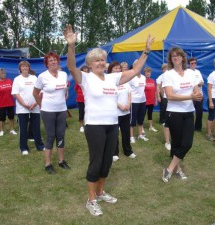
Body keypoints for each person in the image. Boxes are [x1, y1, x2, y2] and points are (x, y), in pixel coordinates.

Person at [63, 24, 154, 216]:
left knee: (107, 163)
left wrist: (146, 50)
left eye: (102, 60)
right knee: (96, 163)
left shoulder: (113, 78)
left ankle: (101, 192)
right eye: (96, 60)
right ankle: (91, 200)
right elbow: (71, 67)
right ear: (90, 63)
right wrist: (71, 46)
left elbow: (136, 69)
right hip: (94, 126)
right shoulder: (86, 78)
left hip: (112, 125)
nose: (100, 63)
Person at [162, 47, 202, 183]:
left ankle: (169, 168)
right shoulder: (169, 74)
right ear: (170, 59)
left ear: (183, 58)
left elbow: (196, 89)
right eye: (173, 56)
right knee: (177, 143)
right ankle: (178, 170)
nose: (175, 57)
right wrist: (190, 96)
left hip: (189, 112)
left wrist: (198, 94)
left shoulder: (190, 73)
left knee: (187, 143)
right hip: (174, 113)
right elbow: (170, 96)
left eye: (178, 55)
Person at [33, 52, 70, 174]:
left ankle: (61, 161)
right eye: (50, 60)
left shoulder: (63, 74)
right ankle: (48, 164)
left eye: (55, 59)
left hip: (61, 109)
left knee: (61, 135)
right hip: (48, 110)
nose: (53, 62)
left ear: (58, 61)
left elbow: (65, 89)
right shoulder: (42, 76)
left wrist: (65, 94)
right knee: (50, 136)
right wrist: (41, 105)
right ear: (46, 64)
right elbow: (35, 93)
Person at [12, 61, 44, 155]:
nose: (25, 67)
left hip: (35, 107)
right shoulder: (17, 79)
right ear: (20, 68)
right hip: (22, 109)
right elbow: (16, 94)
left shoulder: (34, 78)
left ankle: (40, 145)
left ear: (29, 68)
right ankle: (23, 148)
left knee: (36, 127)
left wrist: (35, 104)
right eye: (22, 66)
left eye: (26, 66)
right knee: (23, 128)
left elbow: (40, 91)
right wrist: (24, 104)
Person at [107, 61, 136, 162]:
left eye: (119, 68)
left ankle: (128, 151)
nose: (118, 70)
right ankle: (114, 153)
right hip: (115, 112)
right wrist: (120, 106)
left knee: (126, 132)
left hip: (126, 112)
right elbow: (109, 97)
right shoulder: (109, 82)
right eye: (115, 68)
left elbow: (129, 93)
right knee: (114, 134)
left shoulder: (124, 81)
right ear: (110, 70)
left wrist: (128, 104)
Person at [129, 60, 149, 143]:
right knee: (132, 120)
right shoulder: (131, 77)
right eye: (136, 65)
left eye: (140, 65)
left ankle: (140, 135)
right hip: (134, 101)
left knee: (141, 119)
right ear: (133, 67)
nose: (138, 67)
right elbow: (128, 91)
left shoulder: (143, 77)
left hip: (142, 101)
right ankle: (131, 136)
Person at [0, 68, 17, 136]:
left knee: (11, 117)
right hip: (1, 104)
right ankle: (2, 131)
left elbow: (14, 91)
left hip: (10, 103)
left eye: (4, 73)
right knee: (2, 118)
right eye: (2, 73)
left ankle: (12, 130)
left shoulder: (10, 81)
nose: (4, 74)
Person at [156, 64, 171, 151]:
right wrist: (160, 95)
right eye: (164, 68)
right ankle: (163, 120)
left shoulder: (170, 74)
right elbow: (159, 86)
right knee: (164, 110)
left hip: (170, 97)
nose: (166, 69)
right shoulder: (162, 76)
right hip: (165, 96)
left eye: (167, 68)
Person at [188, 57, 204, 132]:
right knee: (190, 111)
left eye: (195, 63)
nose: (194, 64)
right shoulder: (187, 72)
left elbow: (202, 81)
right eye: (192, 63)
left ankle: (198, 127)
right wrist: (197, 84)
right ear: (189, 64)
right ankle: (189, 126)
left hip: (199, 94)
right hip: (191, 95)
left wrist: (200, 83)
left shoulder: (198, 72)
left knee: (199, 111)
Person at [74, 65, 89, 132]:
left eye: (86, 70)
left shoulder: (91, 78)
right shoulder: (79, 79)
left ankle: (88, 124)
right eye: (84, 70)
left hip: (89, 99)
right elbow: (76, 89)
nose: (85, 71)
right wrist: (80, 95)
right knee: (81, 112)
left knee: (88, 111)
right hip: (81, 99)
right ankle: (81, 126)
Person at [144, 66, 158, 132]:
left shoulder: (152, 81)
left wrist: (155, 100)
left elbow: (155, 91)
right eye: (147, 72)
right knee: (142, 114)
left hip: (151, 101)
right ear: (144, 73)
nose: (148, 73)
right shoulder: (143, 80)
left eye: (149, 72)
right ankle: (141, 127)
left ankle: (150, 126)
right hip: (144, 101)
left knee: (150, 114)